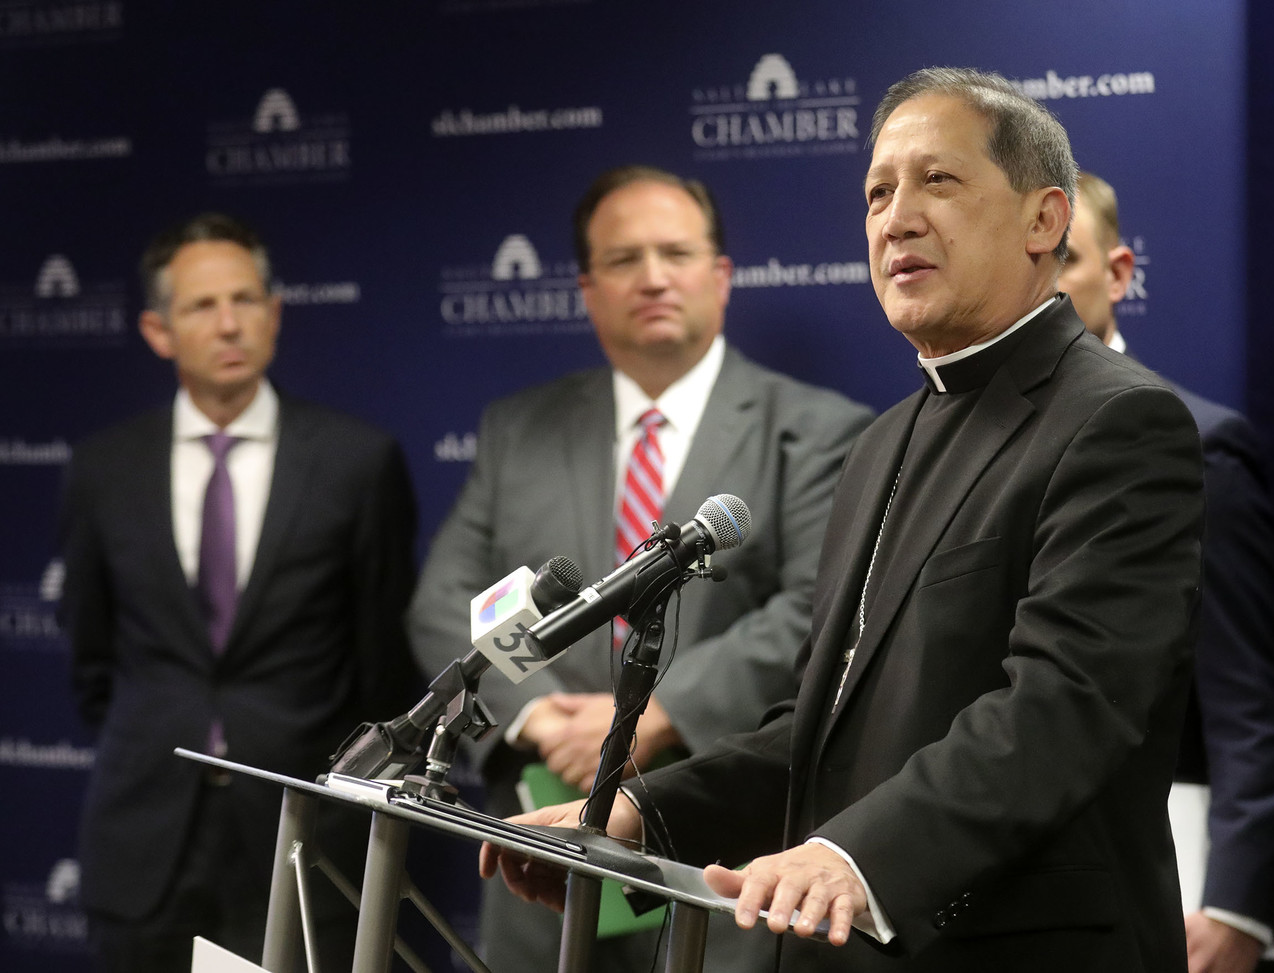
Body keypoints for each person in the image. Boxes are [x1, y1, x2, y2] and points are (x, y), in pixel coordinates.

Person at [480, 68, 1207, 972]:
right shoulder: (881, 442)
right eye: (877, 193)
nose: (896, 219)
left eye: (937, 180)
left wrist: (852, 856)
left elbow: (1064, 706)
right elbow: (820, 727)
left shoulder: (1119, 420)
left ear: (1044, 220)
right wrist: (633, 812)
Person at [408, 164, 874, 972]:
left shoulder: (820, 429)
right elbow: (444, 600)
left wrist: (655, 714)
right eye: (624, 259)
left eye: (676, 253)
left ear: (720, 276)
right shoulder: (518, 428)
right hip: (539, 861)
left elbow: (820, 608)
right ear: (587, 290)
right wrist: (539, 713)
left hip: (719, 872)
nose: (653, 277)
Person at [60, 213, 418, 972]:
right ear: (158, 331)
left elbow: (384, 664)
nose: (229, 323)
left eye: (245, 299)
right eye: (201, 305)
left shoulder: (357, 461)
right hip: (144, 838)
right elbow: (92, 656)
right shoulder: (103, 469)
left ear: (274, 313)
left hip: (302, 841)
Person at [1060, 171, 1274, 973]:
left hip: (1169, 877)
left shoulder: (1197, 445)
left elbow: (1248, 704)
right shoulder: (956, 450)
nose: (1044, 286)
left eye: (1065, 258)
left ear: (1119, 273)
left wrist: (1236, 905)